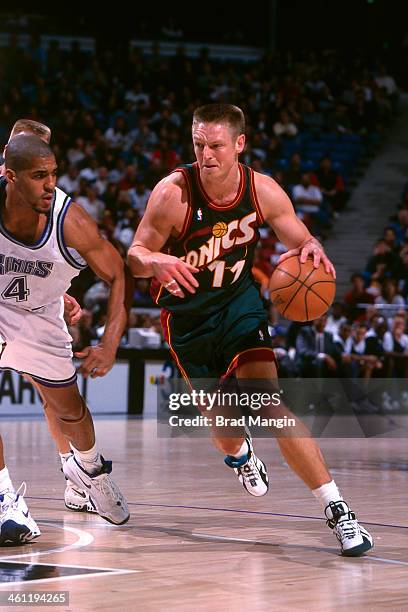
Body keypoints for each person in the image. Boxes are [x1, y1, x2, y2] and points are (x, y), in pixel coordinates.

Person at [128, 103, 373, 557]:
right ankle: (240, 455)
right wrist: (154, 259)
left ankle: (338, 509)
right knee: (222, 424)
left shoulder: (262, 191)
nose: (206, 155)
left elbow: (299, 238)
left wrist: (312, 245)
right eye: (199, 144)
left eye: (216, 145)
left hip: (240, 309)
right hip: (188, 320)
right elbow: (135, 254)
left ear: (240, 144)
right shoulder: (173, 194)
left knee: (268, 403)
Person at [0, 135, 130, 545]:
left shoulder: (70, 220)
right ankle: (4, 500)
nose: (50, 184)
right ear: (10, 177)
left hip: (41, 315)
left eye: (53, 174)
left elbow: (117, 274)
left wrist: (109, 342)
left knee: (70, 410)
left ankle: (88, 471)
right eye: (39, 176)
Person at [0, 120, 95, 524]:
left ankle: (75, 476)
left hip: (32, 306)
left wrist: (54, 290)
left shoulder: (50, 206)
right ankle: (5, 496)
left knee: (52, 395)